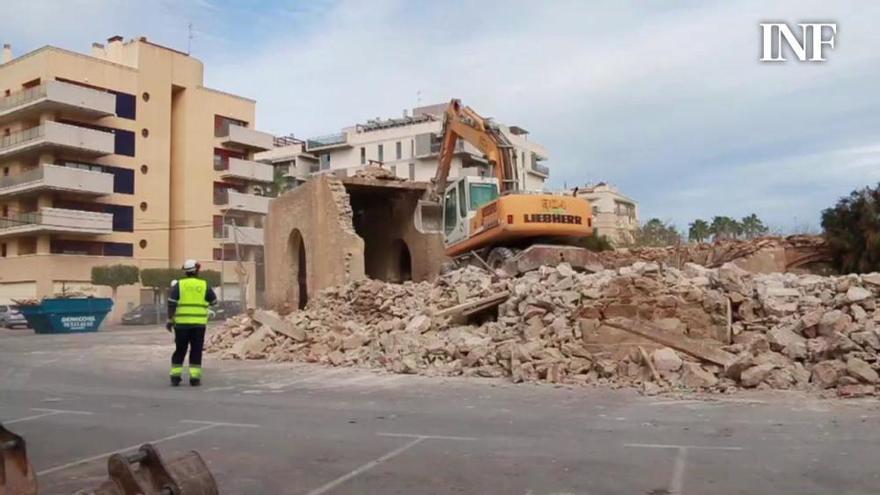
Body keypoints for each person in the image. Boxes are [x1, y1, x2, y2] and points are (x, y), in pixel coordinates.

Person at [166, 259, 217, 386]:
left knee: (180, 349)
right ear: (197, 270)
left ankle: (175, 377)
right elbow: (214, 302)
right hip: (198, 325)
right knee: (196, 350)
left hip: (181, 325)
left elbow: (171, 303)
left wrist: (170, 320)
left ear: (186, 272)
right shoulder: (204, 284)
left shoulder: (180, 284)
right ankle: (195, 378)